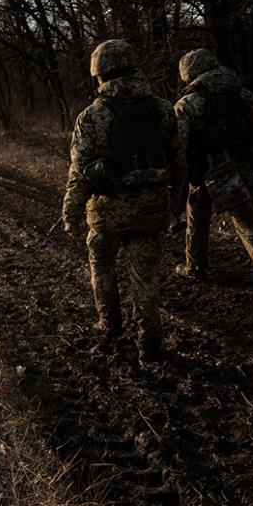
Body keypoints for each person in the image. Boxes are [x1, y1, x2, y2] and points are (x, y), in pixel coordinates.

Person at [62, 39, 181, 362]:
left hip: (106, 213)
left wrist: (70, 214)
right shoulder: (162, 109)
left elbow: (80, 173)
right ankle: (150, 344)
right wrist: (174, 205)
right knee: (145, 278)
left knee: (102, 266)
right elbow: (178, 161)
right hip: (150, 210)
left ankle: (109, 327)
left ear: (99, 74)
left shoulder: (91, 117)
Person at [173, 48, 253, 302]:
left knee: (204, 217)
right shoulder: (245, 95)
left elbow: (177, 145)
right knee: (239, 219)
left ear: (190, 74)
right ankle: (197, 267)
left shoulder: (188, 104)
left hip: (206, 171)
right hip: (241, 167)